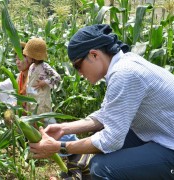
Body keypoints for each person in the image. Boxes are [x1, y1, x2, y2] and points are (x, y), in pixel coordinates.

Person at [29, 24, 174, 180]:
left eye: (78, 65)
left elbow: (111, 140)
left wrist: (60, 147)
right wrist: (64, 129)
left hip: (169, 144)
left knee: (101, 167)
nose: (79, 73)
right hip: (160, 133)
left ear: (94, 55)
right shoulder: (124, 64)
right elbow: (106, 115)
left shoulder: (124, 74)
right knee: (97, 144)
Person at [23, 37, 93, 179]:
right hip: (32, 100)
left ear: (34, 55)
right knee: (36, 125)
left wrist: (45, 82)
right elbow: (28, 83)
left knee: (50, 124)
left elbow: (57, 77)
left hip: (42, 100)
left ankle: (73, 145)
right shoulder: (31, 67)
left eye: (28, 54)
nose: (26, 56)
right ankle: (41, 150)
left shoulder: (45, 67)